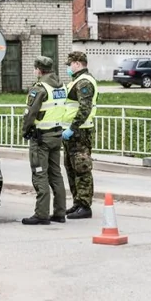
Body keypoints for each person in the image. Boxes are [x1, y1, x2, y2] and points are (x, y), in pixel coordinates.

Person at [20, 56, 68, 225]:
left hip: (41, 138)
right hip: (57, 134)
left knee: (40, 174)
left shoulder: (39, 88)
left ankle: (42, 214)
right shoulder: (61, 86)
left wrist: (25, 130)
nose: (34, 71)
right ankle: (60, 212)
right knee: (56, 174)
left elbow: (30, 113)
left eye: (35, 68)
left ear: (39, 70)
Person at [61, 51, 99, 219]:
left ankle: (84, 205)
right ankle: (77, 203)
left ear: (77, 63)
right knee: (71, 168)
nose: (68, 68)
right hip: (73, 132)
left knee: (82, 168)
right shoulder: (76, 81)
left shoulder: (84, 82)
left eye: (69, 65)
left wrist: (73, 128)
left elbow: (85, 108)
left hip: (80, 132)